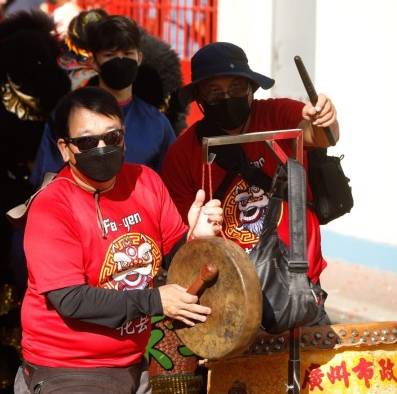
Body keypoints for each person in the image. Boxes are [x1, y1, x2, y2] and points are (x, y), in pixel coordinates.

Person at [14, 87, 222, 394]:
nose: (101, 148)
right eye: (87, 141)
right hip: (68, 370)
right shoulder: (52, 206)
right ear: (64, 149)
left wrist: (196, 239)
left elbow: (175, 255)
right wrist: (155, 300)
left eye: (111, 137)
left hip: (133, 366)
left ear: (124, 138)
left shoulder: (145, 181)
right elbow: (71, 300)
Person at [161, 41, 339, 294]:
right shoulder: (182, 153)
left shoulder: (278, 114)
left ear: (251, 89)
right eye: (214, 92)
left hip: (296, 279)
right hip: (230, 287)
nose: (226, 98)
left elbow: (318, 135)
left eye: (236, 88)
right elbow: (180, 232)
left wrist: (325, 119)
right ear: (199, 97)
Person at [30, 14, 175, 188]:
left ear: (139, 58)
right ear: (94, 62)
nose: (120, 60)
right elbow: (46, 179)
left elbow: (170, 184)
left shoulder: (157, 123)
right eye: (110, 54)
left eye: (128, 53)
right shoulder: (66, 114)